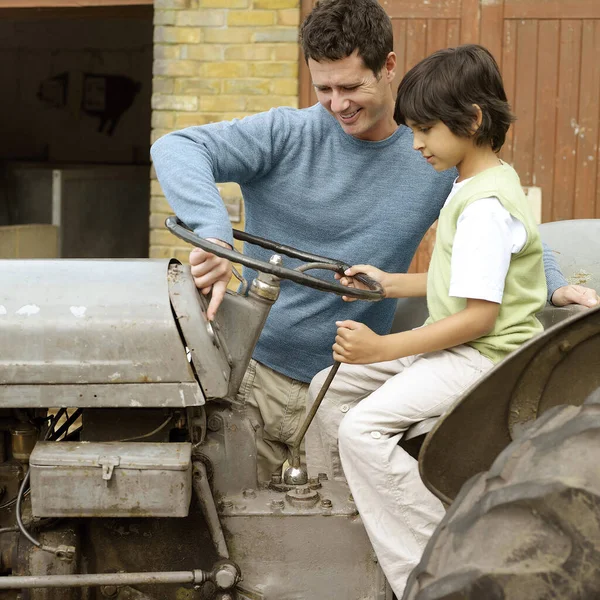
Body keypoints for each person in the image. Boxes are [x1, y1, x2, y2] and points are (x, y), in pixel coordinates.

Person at [150, 0, 597, 485]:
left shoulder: (430, 149)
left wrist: (553, 285)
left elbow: (500, 224)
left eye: (350, 86)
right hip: (255, 379)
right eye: (323, 88)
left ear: (388, 67)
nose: (337, 103)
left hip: (355, 383)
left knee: (342, 537)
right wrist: (212, 233)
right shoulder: (285, 133)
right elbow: (177, 146)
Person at [306, 43, 550, 597]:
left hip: (484, 358)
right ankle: (368, 519)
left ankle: (443, 564)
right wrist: (387, 284)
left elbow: (479, 318)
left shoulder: (486, 207)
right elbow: (461, 286)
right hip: (459, 347)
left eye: (425, 130)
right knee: (328, 387)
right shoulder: (471, 185)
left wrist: (383, 348)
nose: (415, 143)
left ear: (474, 120)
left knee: (361, 430)